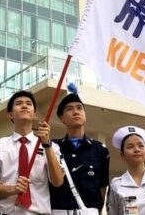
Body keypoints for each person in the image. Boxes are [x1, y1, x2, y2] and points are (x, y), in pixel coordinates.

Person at [0, 90, 65, 215]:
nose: (24, 105)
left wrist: (46, 145)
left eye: (29, 103)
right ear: (10, 115)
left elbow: (58, 181)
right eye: (19, 103)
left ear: (34, 115)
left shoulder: (50, 146)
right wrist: (13, 189)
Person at [49, 85, 110, 215]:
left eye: (79, 108)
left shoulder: (100, 150)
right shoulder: (53, 147)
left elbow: (102, 188)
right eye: (69, 109)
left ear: (85, 114)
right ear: (61, 118)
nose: (76, 112)